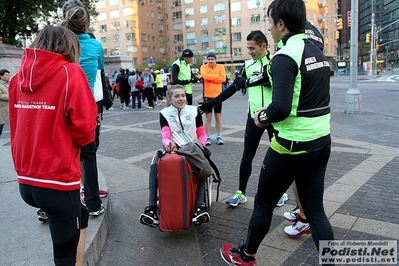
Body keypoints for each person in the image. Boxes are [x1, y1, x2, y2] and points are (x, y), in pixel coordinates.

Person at [220, 0, 334, 264]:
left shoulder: (285, 56)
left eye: (270, 22)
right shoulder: (316, 51)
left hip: (290, 145)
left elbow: (280, 108)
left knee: (263, 203)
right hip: (320, 142)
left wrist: (261, 116)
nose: (268, 28)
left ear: (281, 24)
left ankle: (246, 255)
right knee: (316, 212)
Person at [9, 25, 98, 266]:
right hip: (57, 180)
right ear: (70, 47)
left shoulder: (17, 79)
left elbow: (17, 125)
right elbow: (85, 132)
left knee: (81, 214)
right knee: (64, 255)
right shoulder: (70, 72)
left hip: (27, 181)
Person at [199, 30, 280, 206]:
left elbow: (267, 80)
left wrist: (248, 82)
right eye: (248, 48)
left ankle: (279, 192)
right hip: (253, 117)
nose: (249, 51)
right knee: (247, 155)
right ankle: (241, 192)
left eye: (252, 48)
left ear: (263, 46)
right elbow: (234, 87)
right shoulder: (247, 65)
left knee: (279, 156)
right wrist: (211, 103)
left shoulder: (275, 62)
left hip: (273, 117)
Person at [139, 85, 210, 227]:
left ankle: (199, 208)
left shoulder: (194, 111)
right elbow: (165, 135)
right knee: (154, 166)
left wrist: (201, 146)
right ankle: (151, 209)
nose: (181, 99)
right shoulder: (164, 113)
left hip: (193, 149)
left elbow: (202, 133)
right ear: (170, 99)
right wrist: (169, 145)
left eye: (183, 95)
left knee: (202, 166)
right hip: (173, 149)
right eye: (177, 96)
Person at [61, 3, 105, 216]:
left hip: (63, 103)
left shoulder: (59, 44)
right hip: (88, 104)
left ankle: (65, 197)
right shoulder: (95, 45)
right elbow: (98, 71)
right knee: (89, 153)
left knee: (64, 150)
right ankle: (93, 202)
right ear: (87, 23)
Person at [200, 51, 226, 146]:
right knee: (208, 117)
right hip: (208, 95)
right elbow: (205, 76)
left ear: (215, 59)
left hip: (218, 96)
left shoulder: (221, 67)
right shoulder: (203, 67)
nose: (210, 61)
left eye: (212, 59)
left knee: (218, 117)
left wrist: (211, 78)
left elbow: (223, 79)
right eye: (209, 59)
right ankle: (208, 137)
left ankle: (219, 136)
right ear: (207, 59)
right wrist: (216, 76)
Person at [0, 69, 10, 137]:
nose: (8, 76)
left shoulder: (10, 83)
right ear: (1, 76)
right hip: (2, 110)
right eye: (6, 75)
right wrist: (11, 97)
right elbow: (0, 96)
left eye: (9, 75)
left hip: (10, 108)